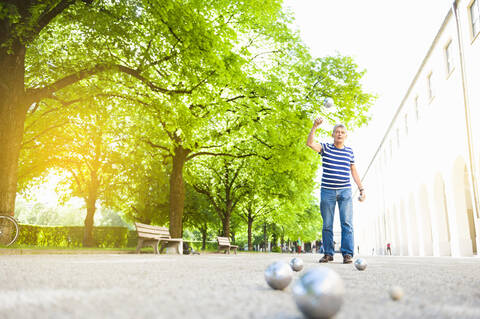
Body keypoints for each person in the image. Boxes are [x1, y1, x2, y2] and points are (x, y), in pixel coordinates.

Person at [307, 118, 365, 264]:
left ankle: (347, 254)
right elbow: (310, 143)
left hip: (345, 191)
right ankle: (328, 253)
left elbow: (354, 171)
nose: (339, 134)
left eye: (342, 132)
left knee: (347, 223)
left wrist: (361, 189)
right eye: (337, 132)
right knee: (327, 224)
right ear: (332, 135)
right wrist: (314, 126)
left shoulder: (349, 152)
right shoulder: (326, 148)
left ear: (345, 136)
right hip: (327, 191)